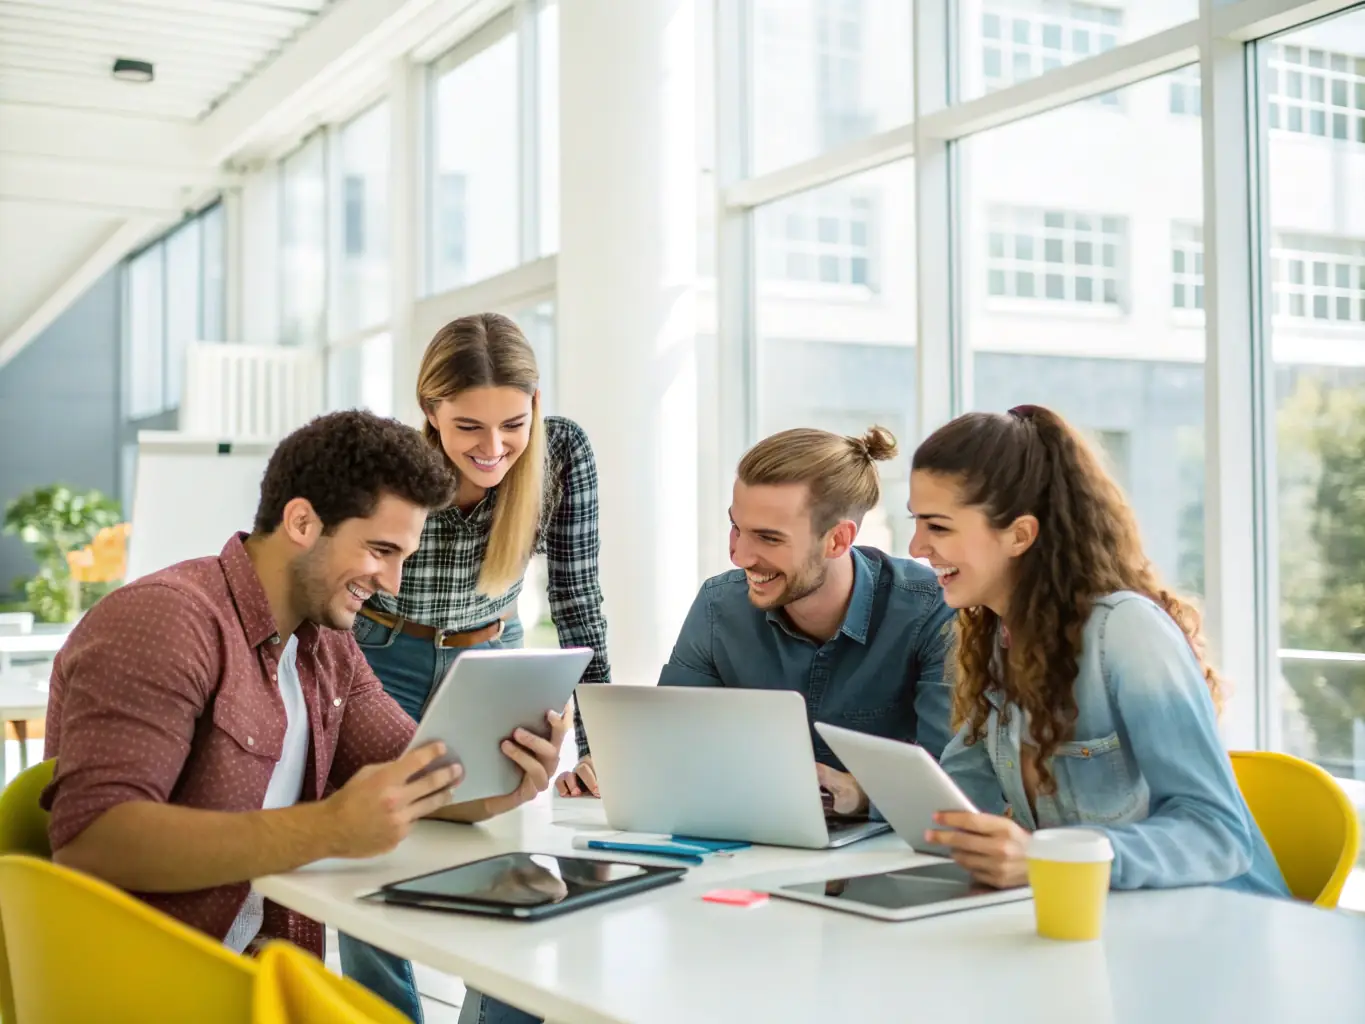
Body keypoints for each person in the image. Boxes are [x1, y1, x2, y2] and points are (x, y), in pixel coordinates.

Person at [41, 410, 570, 967]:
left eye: (402, 558)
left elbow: (413, 773)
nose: (391, 584)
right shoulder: (165, 620)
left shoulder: (326, 646)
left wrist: (503, 784)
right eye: (379, 551)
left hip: (264, 977)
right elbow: (94, 842)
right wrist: (330, 829)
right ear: (301, 522)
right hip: (151, 984)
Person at [337, 313, 610, 1024]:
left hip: (491, 658)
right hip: (378, 656)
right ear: (431, 411)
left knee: (506, 849)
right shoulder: (391, 465)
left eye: (512, 424)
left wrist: (604, 744)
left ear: (535, 406)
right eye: (468, 428)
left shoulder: (562, 454)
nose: (494, 449)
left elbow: (578, 597)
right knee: (373, 855)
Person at [909, 404, 1289, 897]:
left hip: (1217, 923)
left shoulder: (1126, 633)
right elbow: (960, 799)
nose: (917, 547)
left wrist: (1045, 857)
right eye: (917, 522)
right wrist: (859, 795)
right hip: (1106, 922)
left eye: (938, 527)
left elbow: (1217, 834)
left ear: (1020, 534)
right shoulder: (997, 640)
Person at [613, 425, 956, 816]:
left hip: (890, 863)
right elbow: (671, 749)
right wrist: (619, 768)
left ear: (838, 541)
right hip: (747, 852)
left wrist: (859, 795)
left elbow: (956, 783)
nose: (740, 556)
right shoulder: (717, 606)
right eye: (736, 528)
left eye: (769, 538)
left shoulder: (930, 612)